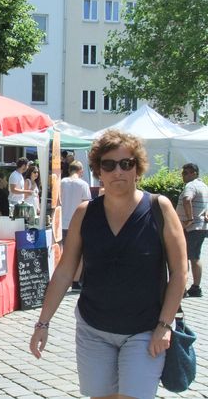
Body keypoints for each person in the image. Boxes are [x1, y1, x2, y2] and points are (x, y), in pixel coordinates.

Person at [30, 129, 187, 399]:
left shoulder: (159, 208)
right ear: (98, 170)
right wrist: (42, 324)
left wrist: (164, 325)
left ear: (138, 169)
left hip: (144, 328)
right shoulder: (85, 213)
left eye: (127, 164)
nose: (118, 171)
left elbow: (179, 272)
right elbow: (65, 270)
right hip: (94, 328)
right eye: (109, 164)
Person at [176, 163, 208, 298]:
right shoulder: (204, 186)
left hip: (190, 227)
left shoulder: (191, 185)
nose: (184, 176)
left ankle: (182, 289)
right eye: (183, 173)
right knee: (195, 257)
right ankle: (196, 287)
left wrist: (189, 219)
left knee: (184, 258)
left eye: (186, 173)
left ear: (194, 173)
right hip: (201, 227)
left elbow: (186, 199)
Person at [60, 160, 91, 290]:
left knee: (66, 253)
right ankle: (76, 282)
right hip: (78, 222)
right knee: (80, 253)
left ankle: (64, 279)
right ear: (80, 170)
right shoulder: (83, 184)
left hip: (62, 221)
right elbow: (87, 204)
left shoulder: (61, 182)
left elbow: (57, 201)